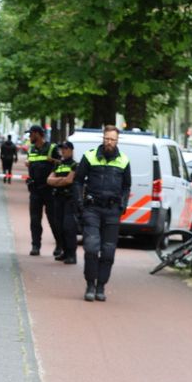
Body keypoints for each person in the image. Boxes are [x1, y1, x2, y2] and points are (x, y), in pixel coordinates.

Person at [73, 125, 130, 302]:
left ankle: (101, 286)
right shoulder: (90, 157)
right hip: (92, 208)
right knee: (91, 247)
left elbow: (126, 186)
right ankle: (90, 284)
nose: (109, 142)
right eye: (107, 139)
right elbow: (78, 181)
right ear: (103, 138)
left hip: (112, 211)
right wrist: (80, 205)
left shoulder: (123, 160)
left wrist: (122, 206)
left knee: (108, 252)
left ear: (117, 140)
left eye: (112, 139)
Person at [25, 125, 62, 257]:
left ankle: (59, 245)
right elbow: (31, 165)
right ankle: (35, 246)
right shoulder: (32, 149)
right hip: (35, 189)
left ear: (38, 134)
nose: (29, 137)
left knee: (53, 219)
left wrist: (53, 160)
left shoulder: (52, 148)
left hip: (49, 190)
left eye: (31, 134)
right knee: (35, 219)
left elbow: (62, 164)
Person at [46, 141, 79, 264]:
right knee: (58, 226)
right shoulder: (58, 165)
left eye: (65, 149)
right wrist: (61, 180)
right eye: (61, 149)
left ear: (71, 150)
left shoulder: (75, 165)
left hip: (69, 199)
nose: (63, 151)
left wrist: (57, 180)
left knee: (68, 227)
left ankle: (72, 255)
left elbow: (69, 181)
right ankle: (65, 252)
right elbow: (49, 180)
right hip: (58, 198)